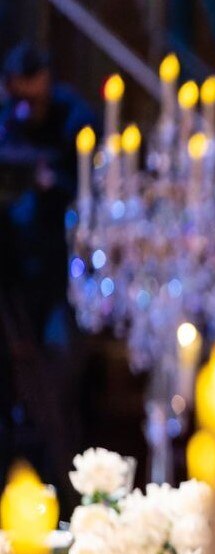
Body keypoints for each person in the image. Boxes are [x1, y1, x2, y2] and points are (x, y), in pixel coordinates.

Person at [0, 43, 95, 500]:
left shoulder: (75, 119)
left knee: (57, 386)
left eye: (32, 99)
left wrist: (49, 180)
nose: (24, 108)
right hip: (14, 276)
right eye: (16, 97)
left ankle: (69, 493)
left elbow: (90, 191)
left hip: (68, 280)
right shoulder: (7, 121)